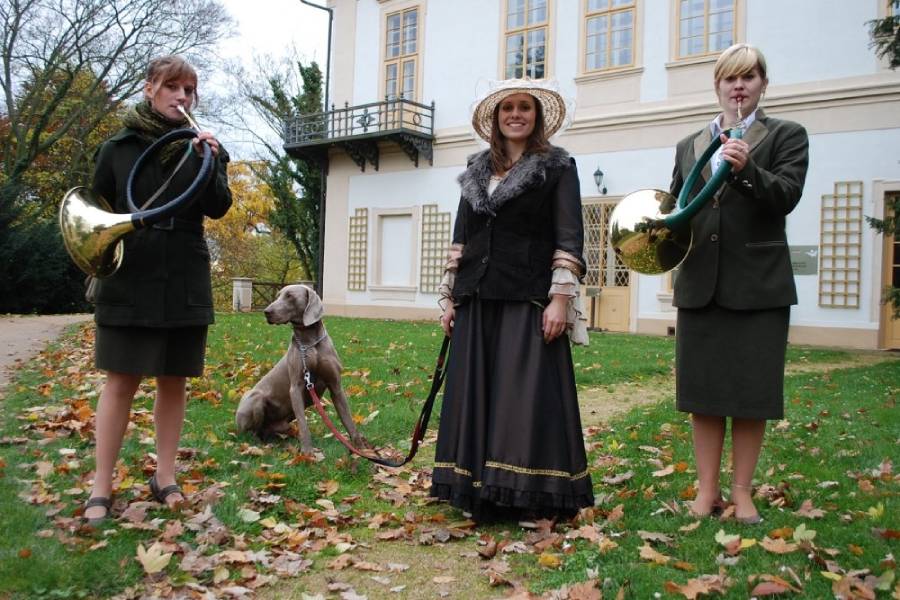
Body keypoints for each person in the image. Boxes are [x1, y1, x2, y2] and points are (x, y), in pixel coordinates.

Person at [430, 79, 594, 522]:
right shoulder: (475, 169)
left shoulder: (557, 167)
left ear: (536, 116)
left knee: (522, 399)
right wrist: (450, 298)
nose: (516, 115)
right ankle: (480, 490)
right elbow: (461, 238)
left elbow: (569, 237)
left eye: (525, 107)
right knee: (480, 393)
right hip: (477, 297)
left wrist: (560, 299)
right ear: (496, 117)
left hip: (527, 296)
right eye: (508, 108)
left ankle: (528, 493)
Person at [82, 56, 232, 523]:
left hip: (183, 273)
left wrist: (212, 160)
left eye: (189, 90)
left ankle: (164, 476)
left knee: (174, 379)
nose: (182, 97)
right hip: (131, 274)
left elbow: (219, 207)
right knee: (121, 381)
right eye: (172, 87)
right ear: (150, 88)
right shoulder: (117, 148)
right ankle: (101, 485)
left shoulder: (202, 148)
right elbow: (97, 214)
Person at [669, 44, 809, 523]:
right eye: (730, 78)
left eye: (749, 77)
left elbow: (786, 196)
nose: (739, 86)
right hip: (700, 285)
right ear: (718, 86)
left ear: (763, 84)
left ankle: (742, 492)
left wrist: (748, 170)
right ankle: (706, 491)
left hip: (758, 286)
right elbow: (678, 208)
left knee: (751, 395)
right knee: (704, 395)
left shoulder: (787, 135)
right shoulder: (689, 144)